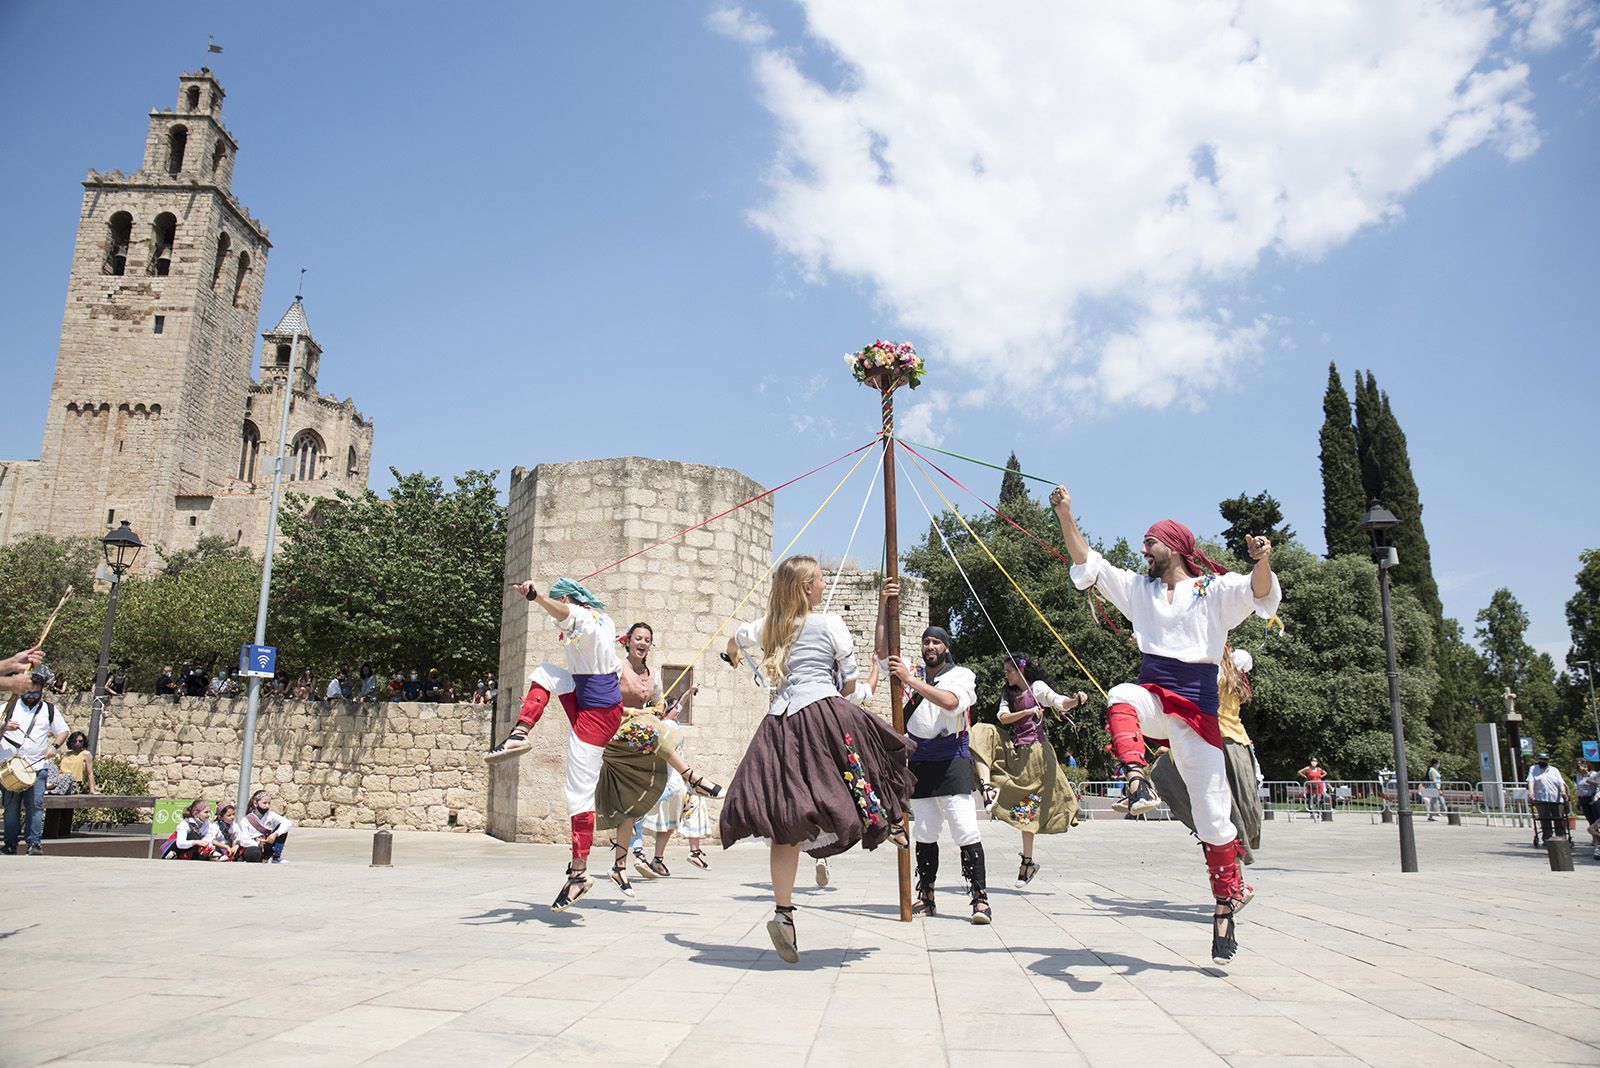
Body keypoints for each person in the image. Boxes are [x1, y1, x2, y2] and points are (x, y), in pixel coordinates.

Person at [1052, 484, 1281, 966]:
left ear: (1173, 547)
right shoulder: (1141, 590)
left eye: (1149, 543)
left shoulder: (1212, 592)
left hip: (1198, 713)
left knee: (1214, 816)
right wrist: (1066, 514)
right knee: (1120, 695)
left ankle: (1225, 904)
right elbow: (1087, 562)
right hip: (1156, 695)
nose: (1142, 550)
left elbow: (1259, 594)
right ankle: (1137, 779)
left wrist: (1262, 560)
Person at [720, 556, 915, 964]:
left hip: (779, 723)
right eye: (821, 580)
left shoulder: (768, 625)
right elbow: (848, 682)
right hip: (821, 710)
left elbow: (735, 640)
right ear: (808, 587)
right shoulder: (829, 624)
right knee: (877, 758)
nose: (825, 586)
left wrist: (735, 656)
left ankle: (784, 914)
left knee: (784, 823)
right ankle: (888, 820)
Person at [490, 578, 632, 910]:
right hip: (587, 696)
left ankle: (579, 875)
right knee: (545, 673)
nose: (557, 618)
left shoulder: (581, 618)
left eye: (560, 604)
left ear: (567, 599)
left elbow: (565, 613)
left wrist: (536, 596)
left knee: (578, 792)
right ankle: (520, 734)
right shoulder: (600, 620)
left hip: (598, 714)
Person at [594, 621, 717, 895]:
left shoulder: (653, 676)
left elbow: (658, 707)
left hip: (640, 740)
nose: (643, 643)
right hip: (618, 733)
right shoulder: (616, 667)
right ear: (627, 642)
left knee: (632, 807)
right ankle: (691, 777)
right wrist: (638, 714)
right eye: (638, 638)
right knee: (654, 729)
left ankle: (619, 867)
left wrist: (657, 709)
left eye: (647, 639)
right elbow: (606, 702)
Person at [890, 595, 991, 925]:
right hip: (920, 763)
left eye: (935, 642)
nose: (929, 646)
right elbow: (882, 652)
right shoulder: (912, 673)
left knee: (964, 829)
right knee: (925, 831)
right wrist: (885, 604)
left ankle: (980, 899)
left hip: (952, 760)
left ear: (946, 647)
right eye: (925, 642)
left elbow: (949, 703)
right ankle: (927, 896)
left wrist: (911, 681)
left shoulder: (961, 675)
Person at [970, 652, 1086, 887]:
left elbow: (1058, 701)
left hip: (1037, 755)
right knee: (980, 731)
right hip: (1016, 751)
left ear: (1021, 670)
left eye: (1009, 671)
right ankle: (986, 788)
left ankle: (1027, 862)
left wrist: (1075, 701)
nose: (1006, 675)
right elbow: (1003, 718)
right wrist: (1026, 712)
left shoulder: (1037, 688)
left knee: (1028, 809)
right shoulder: (1008, 693)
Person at [1150, 645, 1264, 864]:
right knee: (1230, 809)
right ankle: (1228, 865)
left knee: (1217, 808)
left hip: (1215, 743)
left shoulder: (1213, 672)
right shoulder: (1234, 671)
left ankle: (1227, 865)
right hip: (1236, 746)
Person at [1, 666, 71, 856]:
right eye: (28, 692)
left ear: (41, 691)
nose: (31, 695)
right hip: (11, 766)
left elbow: (63, 731)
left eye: (36, 692)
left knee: (35, 807)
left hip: (37, 765)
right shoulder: (8, 708)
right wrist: (5, 727)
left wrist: (54, 747)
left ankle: (34, 843)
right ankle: (9, 844)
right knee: (11, 808)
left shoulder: (49, 710)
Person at [237, 788, 292, 862]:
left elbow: (288, 823)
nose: (267, 806)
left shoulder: (270, 815)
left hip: (268, 846)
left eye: (269, 803)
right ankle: (260, 858)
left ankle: (276, 857)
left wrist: (275, 834)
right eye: (264, 803)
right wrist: (258, 843)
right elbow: (243, 840)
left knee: (282, 829)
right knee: (253, 853)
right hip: (255, 846)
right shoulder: (246, 820)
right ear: (255, 803)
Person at [1527, 753, 1569, 847]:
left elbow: (1560, 782)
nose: (1542, 761)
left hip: (1556, 798)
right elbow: (1531, 781)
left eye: (1544, 760)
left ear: (1548, 761)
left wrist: (1563, 792)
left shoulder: (1554, 770)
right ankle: (1547, 838)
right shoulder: (1533, 769)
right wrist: (1531, 792)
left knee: (1558, 818)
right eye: (1541, 759)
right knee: (1545, 818)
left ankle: (1561, 837)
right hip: (1541, 798)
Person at [1575, 760, 1600, 859]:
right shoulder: (1578, 776)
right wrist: (1578, 802)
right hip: (1583, 799)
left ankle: (1598, 845)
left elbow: (1596, 785)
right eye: (1579, 765)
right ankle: (1596, 844)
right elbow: (1579, 788)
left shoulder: (1594, 774)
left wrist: (1587, 775)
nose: (1581, 766)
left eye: (1583, 764)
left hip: (1594, 800)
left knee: (1596, 823)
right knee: (1591, 823)